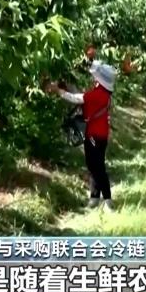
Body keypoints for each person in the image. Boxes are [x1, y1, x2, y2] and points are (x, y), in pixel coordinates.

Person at [46, 60, 117, 211]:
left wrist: (58, 91)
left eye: (95, 77)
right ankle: (95, 198)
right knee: (95, 165)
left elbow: (76, 98)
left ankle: (107, 200)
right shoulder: (104, 93)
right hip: (101, 133)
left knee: (96, 166)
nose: (93, 78)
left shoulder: (98, 94)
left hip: (93, 136)